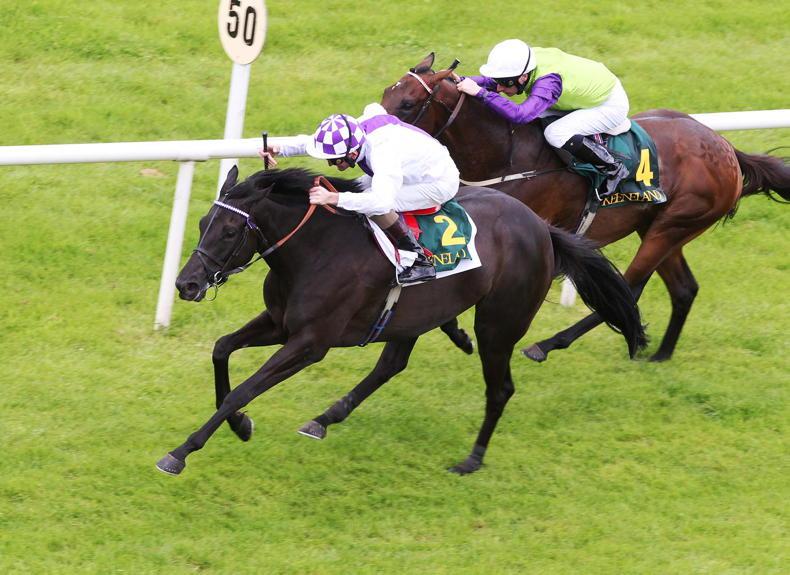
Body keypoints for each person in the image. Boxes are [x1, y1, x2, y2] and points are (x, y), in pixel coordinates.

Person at [260, 102, 460, 284]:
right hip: (412, 169)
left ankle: (418, 260)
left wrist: (333, 198)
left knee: (372, 205)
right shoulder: (355, 132)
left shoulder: (383, 155)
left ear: (353, 153)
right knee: (355, 191)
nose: (331, 165)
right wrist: (280, 148)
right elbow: (318, 142)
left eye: (335, 160)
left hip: (437, 182)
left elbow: (381, 202)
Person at [456, 39, 630, 197]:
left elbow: (520, 115)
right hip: (586, 89)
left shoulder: (548, 82)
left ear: (523, 77)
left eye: (504, 84)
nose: (500, 88)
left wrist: (482, 93)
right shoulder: (523, 64)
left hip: (608, 104)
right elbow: (494, 81)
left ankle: (612, 167)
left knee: (555, 133)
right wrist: (462, 80)